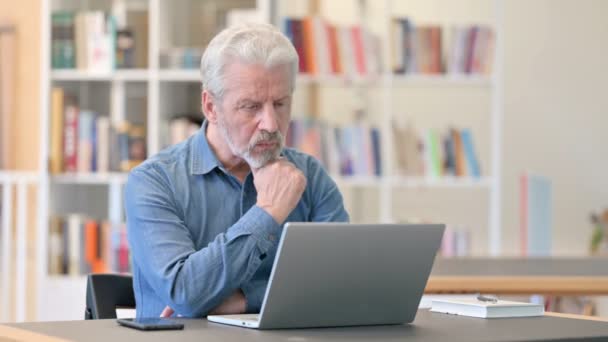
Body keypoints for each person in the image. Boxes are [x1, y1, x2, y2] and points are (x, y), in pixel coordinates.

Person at [124, 23, 349, 318]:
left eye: (280, 104)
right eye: (251, 106)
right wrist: (268, 211)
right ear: (210, 107)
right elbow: (186, 293)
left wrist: (244, 300)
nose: (270, 123)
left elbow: (344, 284)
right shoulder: (153, 182)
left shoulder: (310, 176)